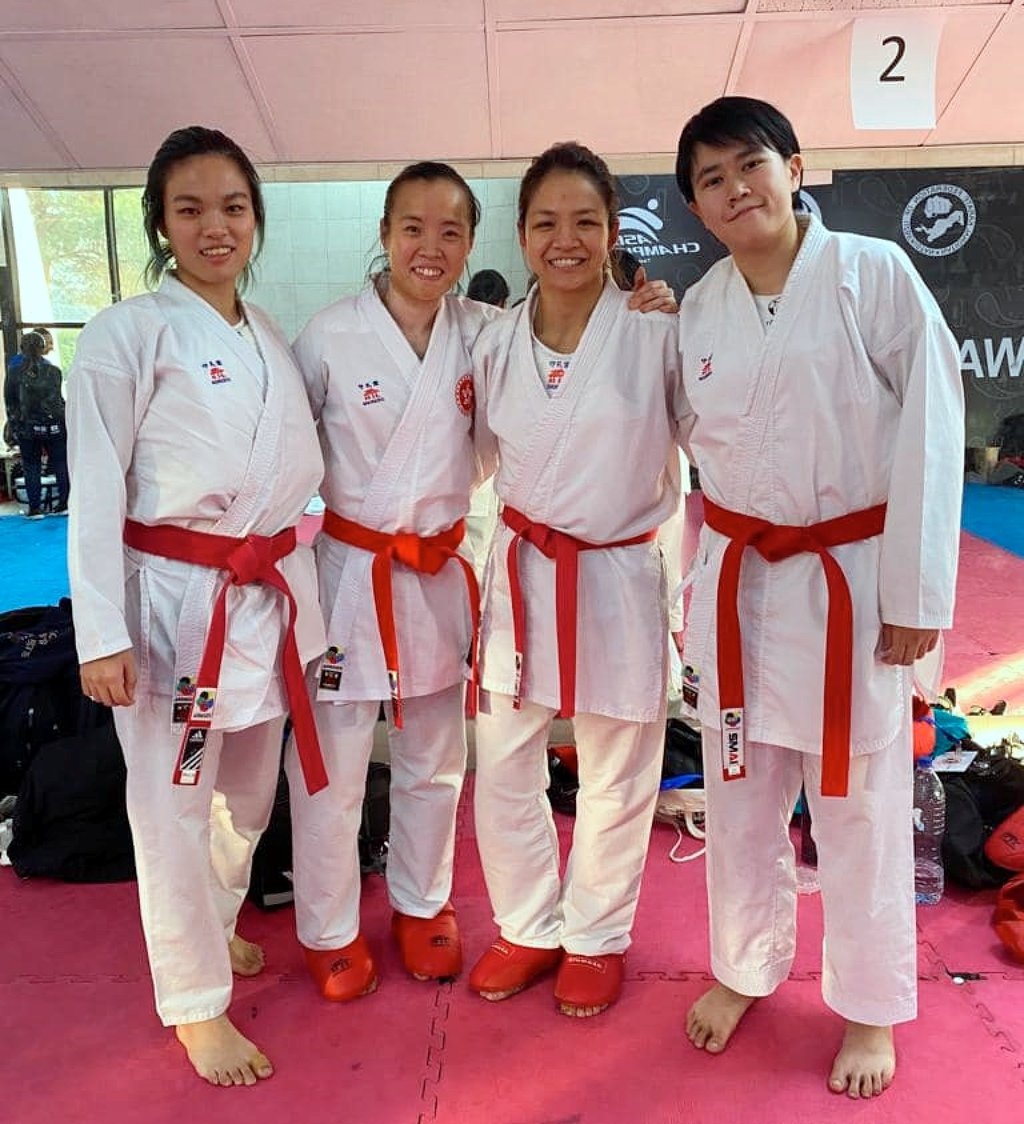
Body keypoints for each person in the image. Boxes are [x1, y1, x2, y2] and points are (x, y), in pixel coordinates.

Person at [287, 160, 676, 1005]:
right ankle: (344, 923)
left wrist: (660, 302)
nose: (431, 248)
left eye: (452, 231)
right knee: (357, 761)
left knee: (445, 759)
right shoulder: (337, 335)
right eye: (413, 229)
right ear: (384, 234)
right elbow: (282, 456)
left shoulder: (497, 329)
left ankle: (447, 909)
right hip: (364, 571)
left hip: (475, 569)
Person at [672, 97, 964, 1098]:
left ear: (794, 166)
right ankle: (744, 967)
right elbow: (686, 462)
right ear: (696, 206)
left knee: (859, 807)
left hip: (850, 586)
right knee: (743, 798)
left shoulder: (871, 274)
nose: (733, 189)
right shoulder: (698, 307)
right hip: (739, 588)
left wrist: (918, 590)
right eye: (709, 179)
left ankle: (870, 1006)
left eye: (747, 164)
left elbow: (930, 421)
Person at [66, 126, 326, 1087]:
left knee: (249, 795)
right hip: (175, 613)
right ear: (160, 224)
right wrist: (101, 633)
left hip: (260, 603)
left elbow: (303, 475)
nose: (215, 227)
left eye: (233, 207)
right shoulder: (124, 334)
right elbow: (95, 489)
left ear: (256, 220)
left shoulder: (269, 338)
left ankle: (215, 929)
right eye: (190, 209)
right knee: (172, 804)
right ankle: (194, 1001)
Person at [468, 142, 687, 1018]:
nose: (567, 239)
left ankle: (595, 934)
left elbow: (714, 441)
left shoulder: (656, 331)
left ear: (611, 232)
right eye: (547, 223)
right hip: (519, 576)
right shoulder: (492, 343)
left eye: (586, 222)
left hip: (616, 571)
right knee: (505, 762)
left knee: (617, 765)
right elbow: (474, 466)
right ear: (522, 235)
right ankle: (526, 925)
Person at [3, 329, 69, 517]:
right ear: (42, 348)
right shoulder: (54, 371)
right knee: (60, 463)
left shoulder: (15, 372)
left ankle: (35, 508)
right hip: (54, 425)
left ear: (22, 348)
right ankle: (64, 503)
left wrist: (14, 429)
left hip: (28, 427)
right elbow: (58, 401)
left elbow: (10, 402)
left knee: (31, 465)